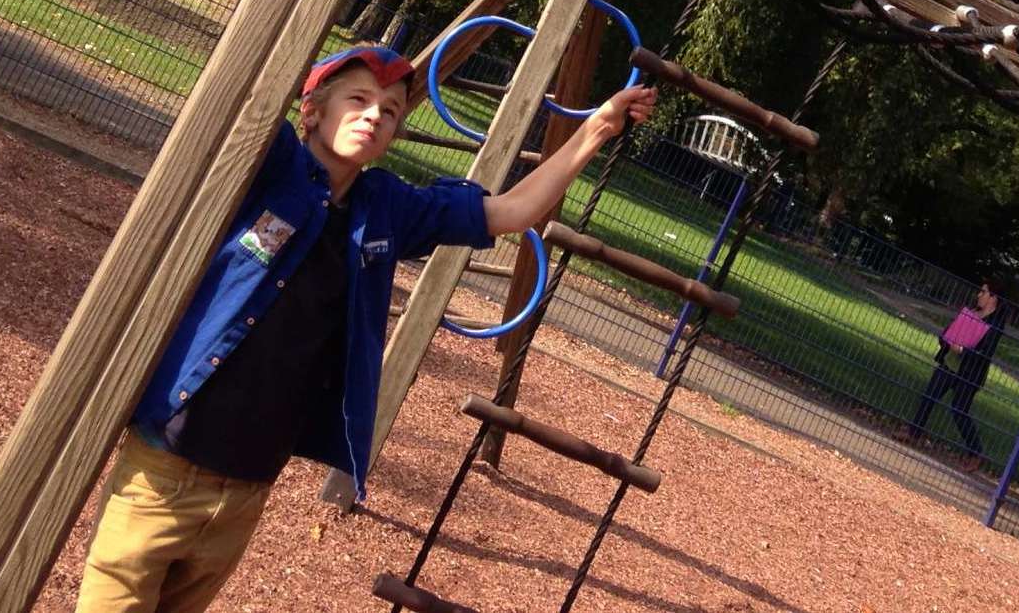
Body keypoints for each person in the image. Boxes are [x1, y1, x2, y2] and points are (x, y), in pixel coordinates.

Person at [74, 36, 658, 613]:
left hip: (248, 488)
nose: (374, 115)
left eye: (390, 110)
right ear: (312, 111)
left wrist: (598, 128)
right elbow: (240, 98)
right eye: (357, 100)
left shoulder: (385, 208)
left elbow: (511, 211)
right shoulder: (271, 163)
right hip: (164, 469)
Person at [911, 279, 1005, 469]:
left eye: (983, 292)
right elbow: (948, 331)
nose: (979, 295)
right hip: (950, 364)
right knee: (929, 396)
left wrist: (963, 350)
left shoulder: (995, 325)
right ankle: (913, 433)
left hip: (969, 374)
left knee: (959, 410)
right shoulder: (972, 312)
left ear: (993, 298)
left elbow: (985, 353)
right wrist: (947, 340)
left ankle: (975, 453)